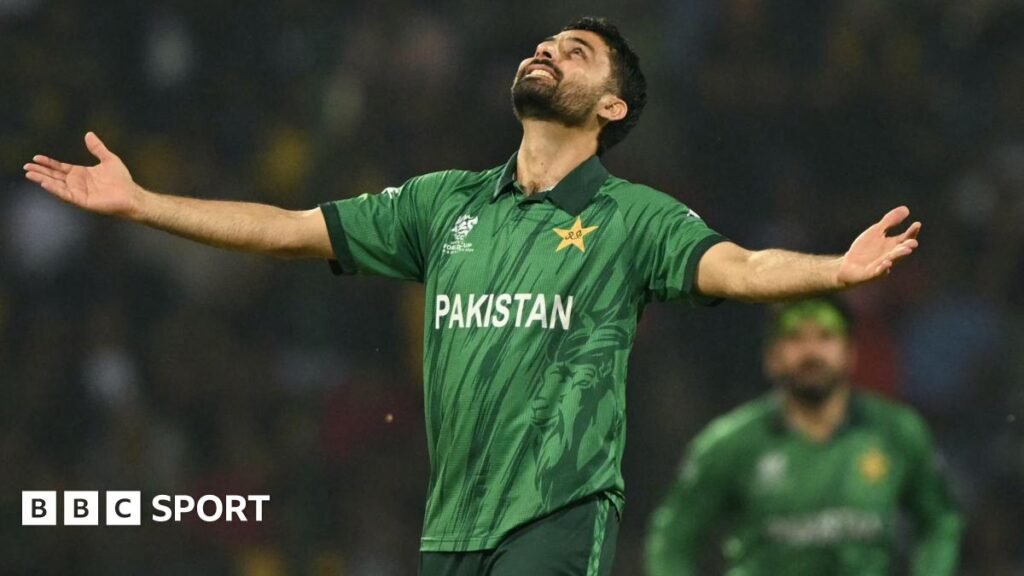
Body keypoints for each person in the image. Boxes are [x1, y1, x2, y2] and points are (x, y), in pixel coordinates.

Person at [23, 16, 921, 576]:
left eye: (576, 53)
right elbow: (289, 227)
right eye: (546, 42)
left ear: (611, 109)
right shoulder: (439, 203)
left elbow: (739, 266)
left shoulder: (631, 217)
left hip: (558, 514)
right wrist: (142, 204)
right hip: (450, 523)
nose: (546, 50)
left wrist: (833, 270)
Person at [645, 298, 963, 576]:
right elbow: (672, 540)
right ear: (772, 357)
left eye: (826, 337)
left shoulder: (897, 432)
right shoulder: (731, 443)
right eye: (795, 338)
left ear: (850, 352)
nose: (811, 352)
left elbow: (940, 523)